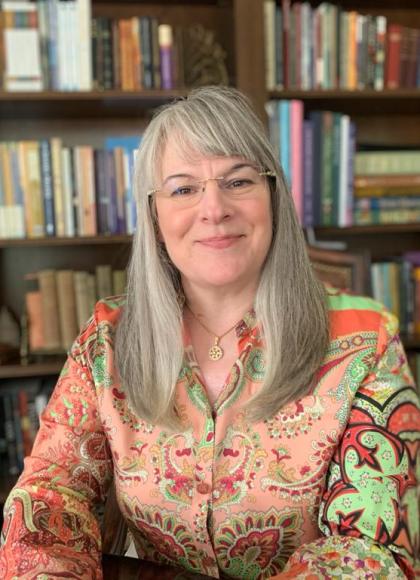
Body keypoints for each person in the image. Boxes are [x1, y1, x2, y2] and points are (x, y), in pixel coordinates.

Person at [1, 86, 419, 580]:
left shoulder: (366, 340)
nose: (214, 208)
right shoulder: (106, 339)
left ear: (273, 198)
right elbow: (50, 496)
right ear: (154, 215)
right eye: (183, 189)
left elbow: (369, 552)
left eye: (238, 181)